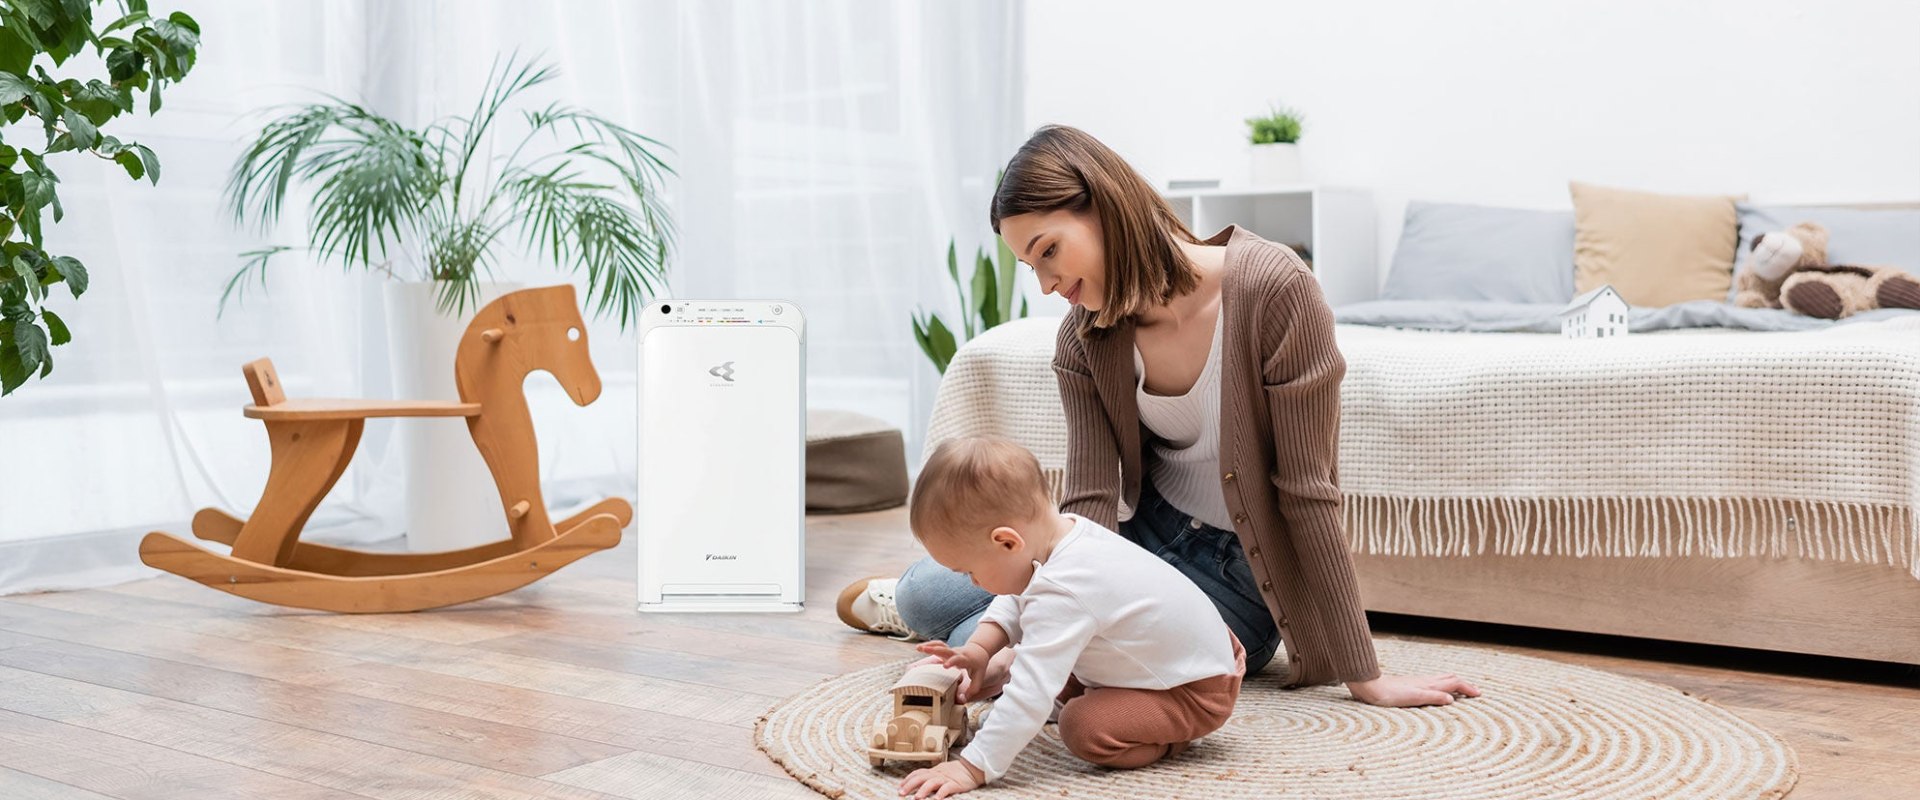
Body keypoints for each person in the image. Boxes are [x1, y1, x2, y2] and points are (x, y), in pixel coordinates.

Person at [840, 124, 1479, 711]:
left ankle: (979, 628)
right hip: (1136, 535)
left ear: (1105, 205)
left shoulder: (1276, 291)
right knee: (936, 602)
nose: (1046, 283)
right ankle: (937, 608)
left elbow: (1308, 493)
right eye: (1031, 265)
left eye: (1049, 250)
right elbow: (1090, 503)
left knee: (982, 635)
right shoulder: (1084, 337)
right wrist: (1004, 644)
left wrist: (1363, 673)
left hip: (1237, 574)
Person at [897, 436, 1245, 798]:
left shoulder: (1066, 587)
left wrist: (972, 766)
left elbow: (1031, 689)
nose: (972, 582)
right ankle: (1091, 694)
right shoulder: (1064, 532)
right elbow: (1017, 596)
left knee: (1083, 727)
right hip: (1176, 657)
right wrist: (980, 650)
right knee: (1034, 662)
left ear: (1006, 542)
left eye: (969, 571)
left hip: (1191, 689)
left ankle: (1172, 739)